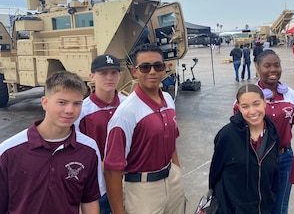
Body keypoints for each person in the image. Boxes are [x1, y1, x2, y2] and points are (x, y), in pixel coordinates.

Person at [0, 71, 104, 214]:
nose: (69, 110)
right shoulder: (9, 151)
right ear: (45, 103)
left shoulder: (89, 149)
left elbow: (89, 200)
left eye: (77, 103)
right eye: (62, 102)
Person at [103, 43, 185, 214]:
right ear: (135, 71)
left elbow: (172, 141)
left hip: (171, 179)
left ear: (165, 68)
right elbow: (112, 169)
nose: (153, 72)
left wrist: (176, 171)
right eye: (145, 67)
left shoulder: (168, 100)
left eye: (158, 66)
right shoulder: (125, 113)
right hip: (142, 190)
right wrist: (118, 211)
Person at [233, 49, 294, 214]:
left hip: (285, 158)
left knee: (281, 206)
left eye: (276, 65)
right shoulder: (246, 97)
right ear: (257, 67)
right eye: (267, 66)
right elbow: (238, 130)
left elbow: (291, 124)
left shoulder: (290, 95)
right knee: (258, 205)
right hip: (257, 158)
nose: (273, 70)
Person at [210, 84, 280, 214]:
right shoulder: (227, 135)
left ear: (264, 103)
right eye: (245, 106)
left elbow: (272, 174)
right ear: (238, 107)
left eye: (256, 104)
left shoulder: (273, 134)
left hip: (263, 208)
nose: (252, 111)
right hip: (234, 209)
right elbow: (215, 173)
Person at [75, 54, 126, 214]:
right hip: (98, 185)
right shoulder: (81, 111)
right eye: (103, 73)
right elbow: (75, 149)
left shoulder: (127, 105)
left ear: (120, 75)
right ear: (92, 76)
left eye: (114, 73)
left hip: (128, 181)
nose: (109, 78)